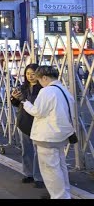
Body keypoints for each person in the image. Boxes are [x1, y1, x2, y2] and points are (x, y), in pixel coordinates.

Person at [22, 65, 75, 199]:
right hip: (61, 135)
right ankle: (65, 193)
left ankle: (58, 196)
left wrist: (25, 103)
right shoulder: (63, 89)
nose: (39, 82)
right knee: (61, 166)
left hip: (47, 136)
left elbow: (37, 111)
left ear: (44, 77)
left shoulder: (47, 91)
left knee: (50, 170)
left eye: (39, 79)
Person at [10, 63, 44, 188]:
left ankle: (38, 177)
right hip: (24, 121)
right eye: (28, 74)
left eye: (33, 74)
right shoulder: (22, 88)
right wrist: (14, 98)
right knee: (26, 150)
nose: (30, 76)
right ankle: (28, 173)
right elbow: (16, 104)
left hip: (38, 122)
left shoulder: (43, 88)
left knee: (38, 151)